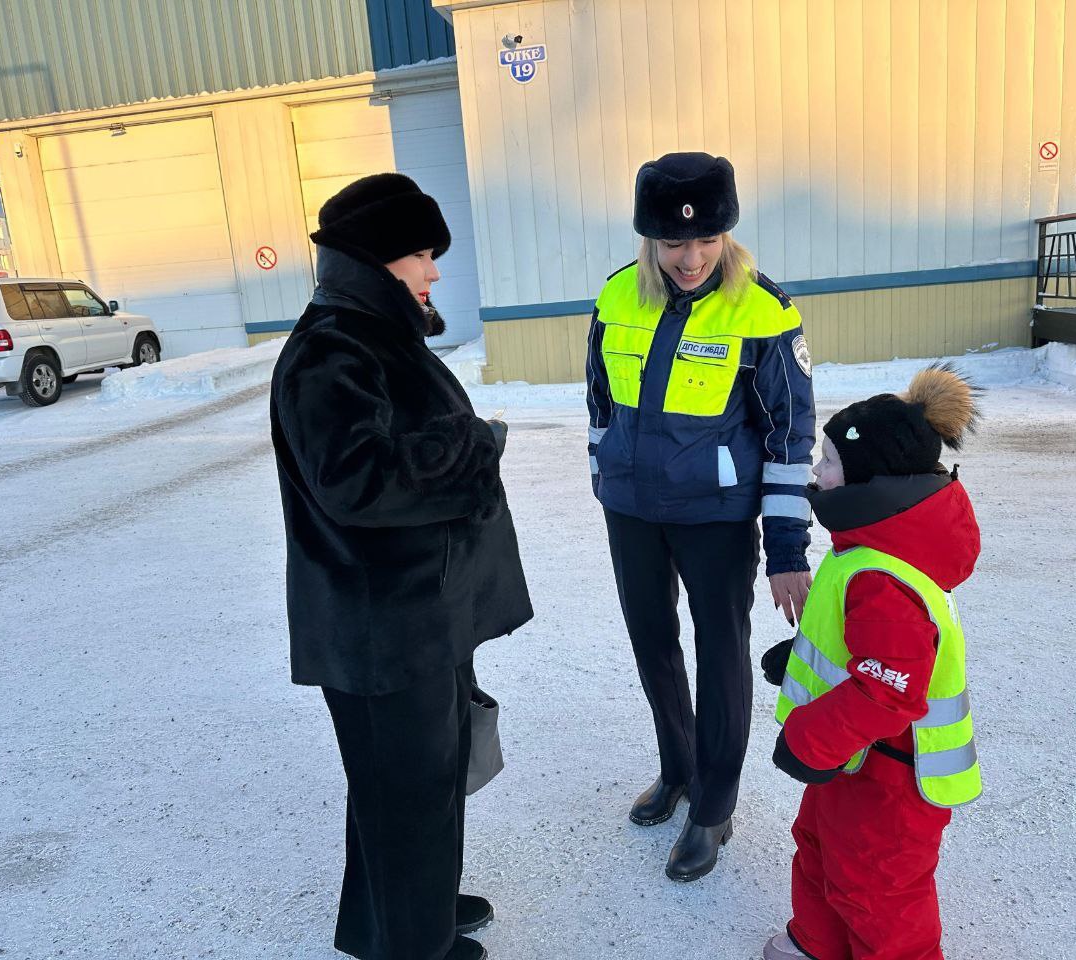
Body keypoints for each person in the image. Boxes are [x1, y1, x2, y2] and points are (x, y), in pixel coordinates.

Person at [270, 173, 533, 960]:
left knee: (413, 784)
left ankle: (396, 914)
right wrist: (470, 444)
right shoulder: (331, 347)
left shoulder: (374, 333)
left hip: (419, 613)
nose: (435, 271)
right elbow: (355, 480)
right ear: (380, 260)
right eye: (423, 255)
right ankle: (413, 945)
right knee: (406, 791)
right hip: (380, 628)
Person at [586, 152, 817, 882]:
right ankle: (678, 769)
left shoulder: (764, 312)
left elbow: (789, 436)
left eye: (705, 240)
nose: (690, 258)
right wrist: (606, 479)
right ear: (649, 240)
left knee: (720, 655)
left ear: (726, 232)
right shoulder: (618, 297)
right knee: (653, 645)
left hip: (716, 517)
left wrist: (785, 549)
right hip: (632, 512)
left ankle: (714, 807)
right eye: (673, 243)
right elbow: (600, 403)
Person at [765, 364, 984, 960]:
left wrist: (809, 738)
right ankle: (819, 942)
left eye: (829, 460)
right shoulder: (866, 546)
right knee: (818, 848)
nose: (816, 471)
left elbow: (888, 690)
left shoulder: (886, 578)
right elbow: (863, 646)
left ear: (869, 476)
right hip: (854, 762)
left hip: (892, 777)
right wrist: (801, 658)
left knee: (879, 888)